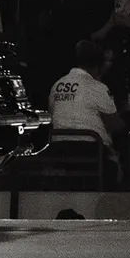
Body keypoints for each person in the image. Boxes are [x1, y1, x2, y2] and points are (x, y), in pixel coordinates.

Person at [49, 39, 124, 184]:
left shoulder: (57, 85)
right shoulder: (97, 87)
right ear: (98, 65)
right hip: (91, 153)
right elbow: (114, 125)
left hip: (58, 151)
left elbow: (52, 114)